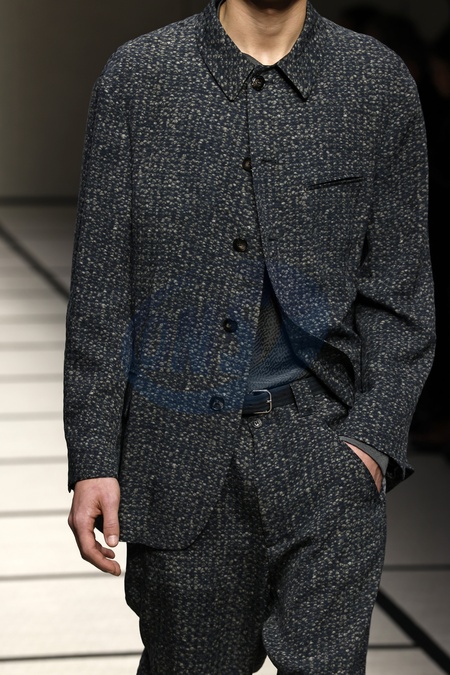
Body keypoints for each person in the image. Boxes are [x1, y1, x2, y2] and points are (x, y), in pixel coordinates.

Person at [64, 0, 435, 672]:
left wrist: (369, 445)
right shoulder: (141, 78)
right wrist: (94, 456)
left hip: (327, 451)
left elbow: (401, 288)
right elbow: (101, 286)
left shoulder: (374, 82)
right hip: (177, 454)